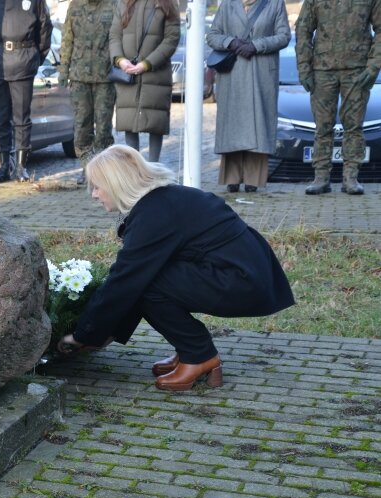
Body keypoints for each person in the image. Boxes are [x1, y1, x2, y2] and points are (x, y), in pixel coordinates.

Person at [57, 145, 295, 391]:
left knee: (147, 282)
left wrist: (84, 334)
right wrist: (104, 332)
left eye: (97, 187)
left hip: (241, 282)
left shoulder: (154, 213)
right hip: (243, 275)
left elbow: (125, 279)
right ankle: (189, 349)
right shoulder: (162, 200)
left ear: (117, 184)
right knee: (147, 277)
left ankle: (199, 355)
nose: (94, 195)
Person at [295, 0, 381, 196]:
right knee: (322, 126)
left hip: (357, 70)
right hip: (322, 70)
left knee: (354, 126)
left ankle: (351, 177)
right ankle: (321, 177)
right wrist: (304, 68)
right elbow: (303, 29)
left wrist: (374, 65)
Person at [207, 0, 290, 193]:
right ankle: (232, 178)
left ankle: (254, 179)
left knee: (258, 126)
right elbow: (212, 35)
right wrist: (231, 42)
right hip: (232, 74)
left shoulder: (274, 4)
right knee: (233, 125)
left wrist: (256, 45)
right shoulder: (228, 4)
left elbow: (284, 35)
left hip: (261, 73)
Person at [0, 0, 52, 182]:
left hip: (23, 60)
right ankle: (4, 165)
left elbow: (44, 29)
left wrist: (34, 58)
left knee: (21, 117)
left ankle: (20, 167)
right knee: (1, 118)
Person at [109, 0, 179, 163]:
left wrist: (147, 64)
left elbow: (171, 39)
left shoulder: (167, 4)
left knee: (156, 123)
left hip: (156, 75)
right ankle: (135, 170)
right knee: (129, 122)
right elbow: (114, 35)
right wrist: (119, 59)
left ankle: (154, 169)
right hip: (128, 74)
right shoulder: (124, 3)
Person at [58, 0, 116, 184]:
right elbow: (67, 39)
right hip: (79, 75)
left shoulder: (113, 5)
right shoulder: (75, 6)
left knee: (104, 128)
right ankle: (87, 168)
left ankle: (103, 170)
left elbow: (119, 38)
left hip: (105, 76)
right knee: (82, 125)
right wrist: (63, 70)